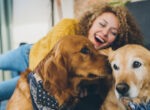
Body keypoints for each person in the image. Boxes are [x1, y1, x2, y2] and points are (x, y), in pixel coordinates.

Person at [0, 1, 144, 109]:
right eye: (102, 24)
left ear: (117, 39)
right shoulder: (68, 27)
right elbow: (47, 66)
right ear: (91, 21)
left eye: (113, 32)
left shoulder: (101, 56)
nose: (105, 32)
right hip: (30, 55)